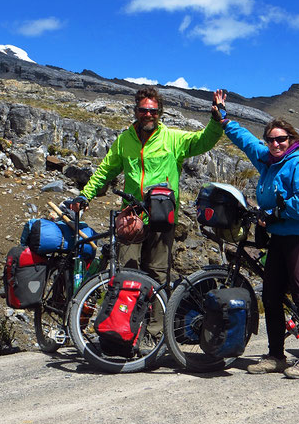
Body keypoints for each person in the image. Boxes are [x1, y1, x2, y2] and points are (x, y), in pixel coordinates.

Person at [212, 89, 299, 379]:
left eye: (281, 139)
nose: (275, 144)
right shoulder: (269, 160)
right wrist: (225, 121)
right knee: (271, 297)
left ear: (292, 140)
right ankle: (277, 356)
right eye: (271, 139)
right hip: (279, 237)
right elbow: (246, 142)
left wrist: (275, 214)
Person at [74, 86, 224, 285]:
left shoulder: (172, 139)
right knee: (127, 270)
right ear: (135, 111)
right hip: (131, 216)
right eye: (143, 110)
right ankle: (128, 315)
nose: (148, 115)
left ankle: (157, 316)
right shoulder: (124, 141)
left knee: (157, 274)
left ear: (160, 113)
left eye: (153, 111)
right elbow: (105, 171)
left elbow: (203, 141)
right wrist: (86, 195)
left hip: (163, 216)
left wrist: (215, 120)